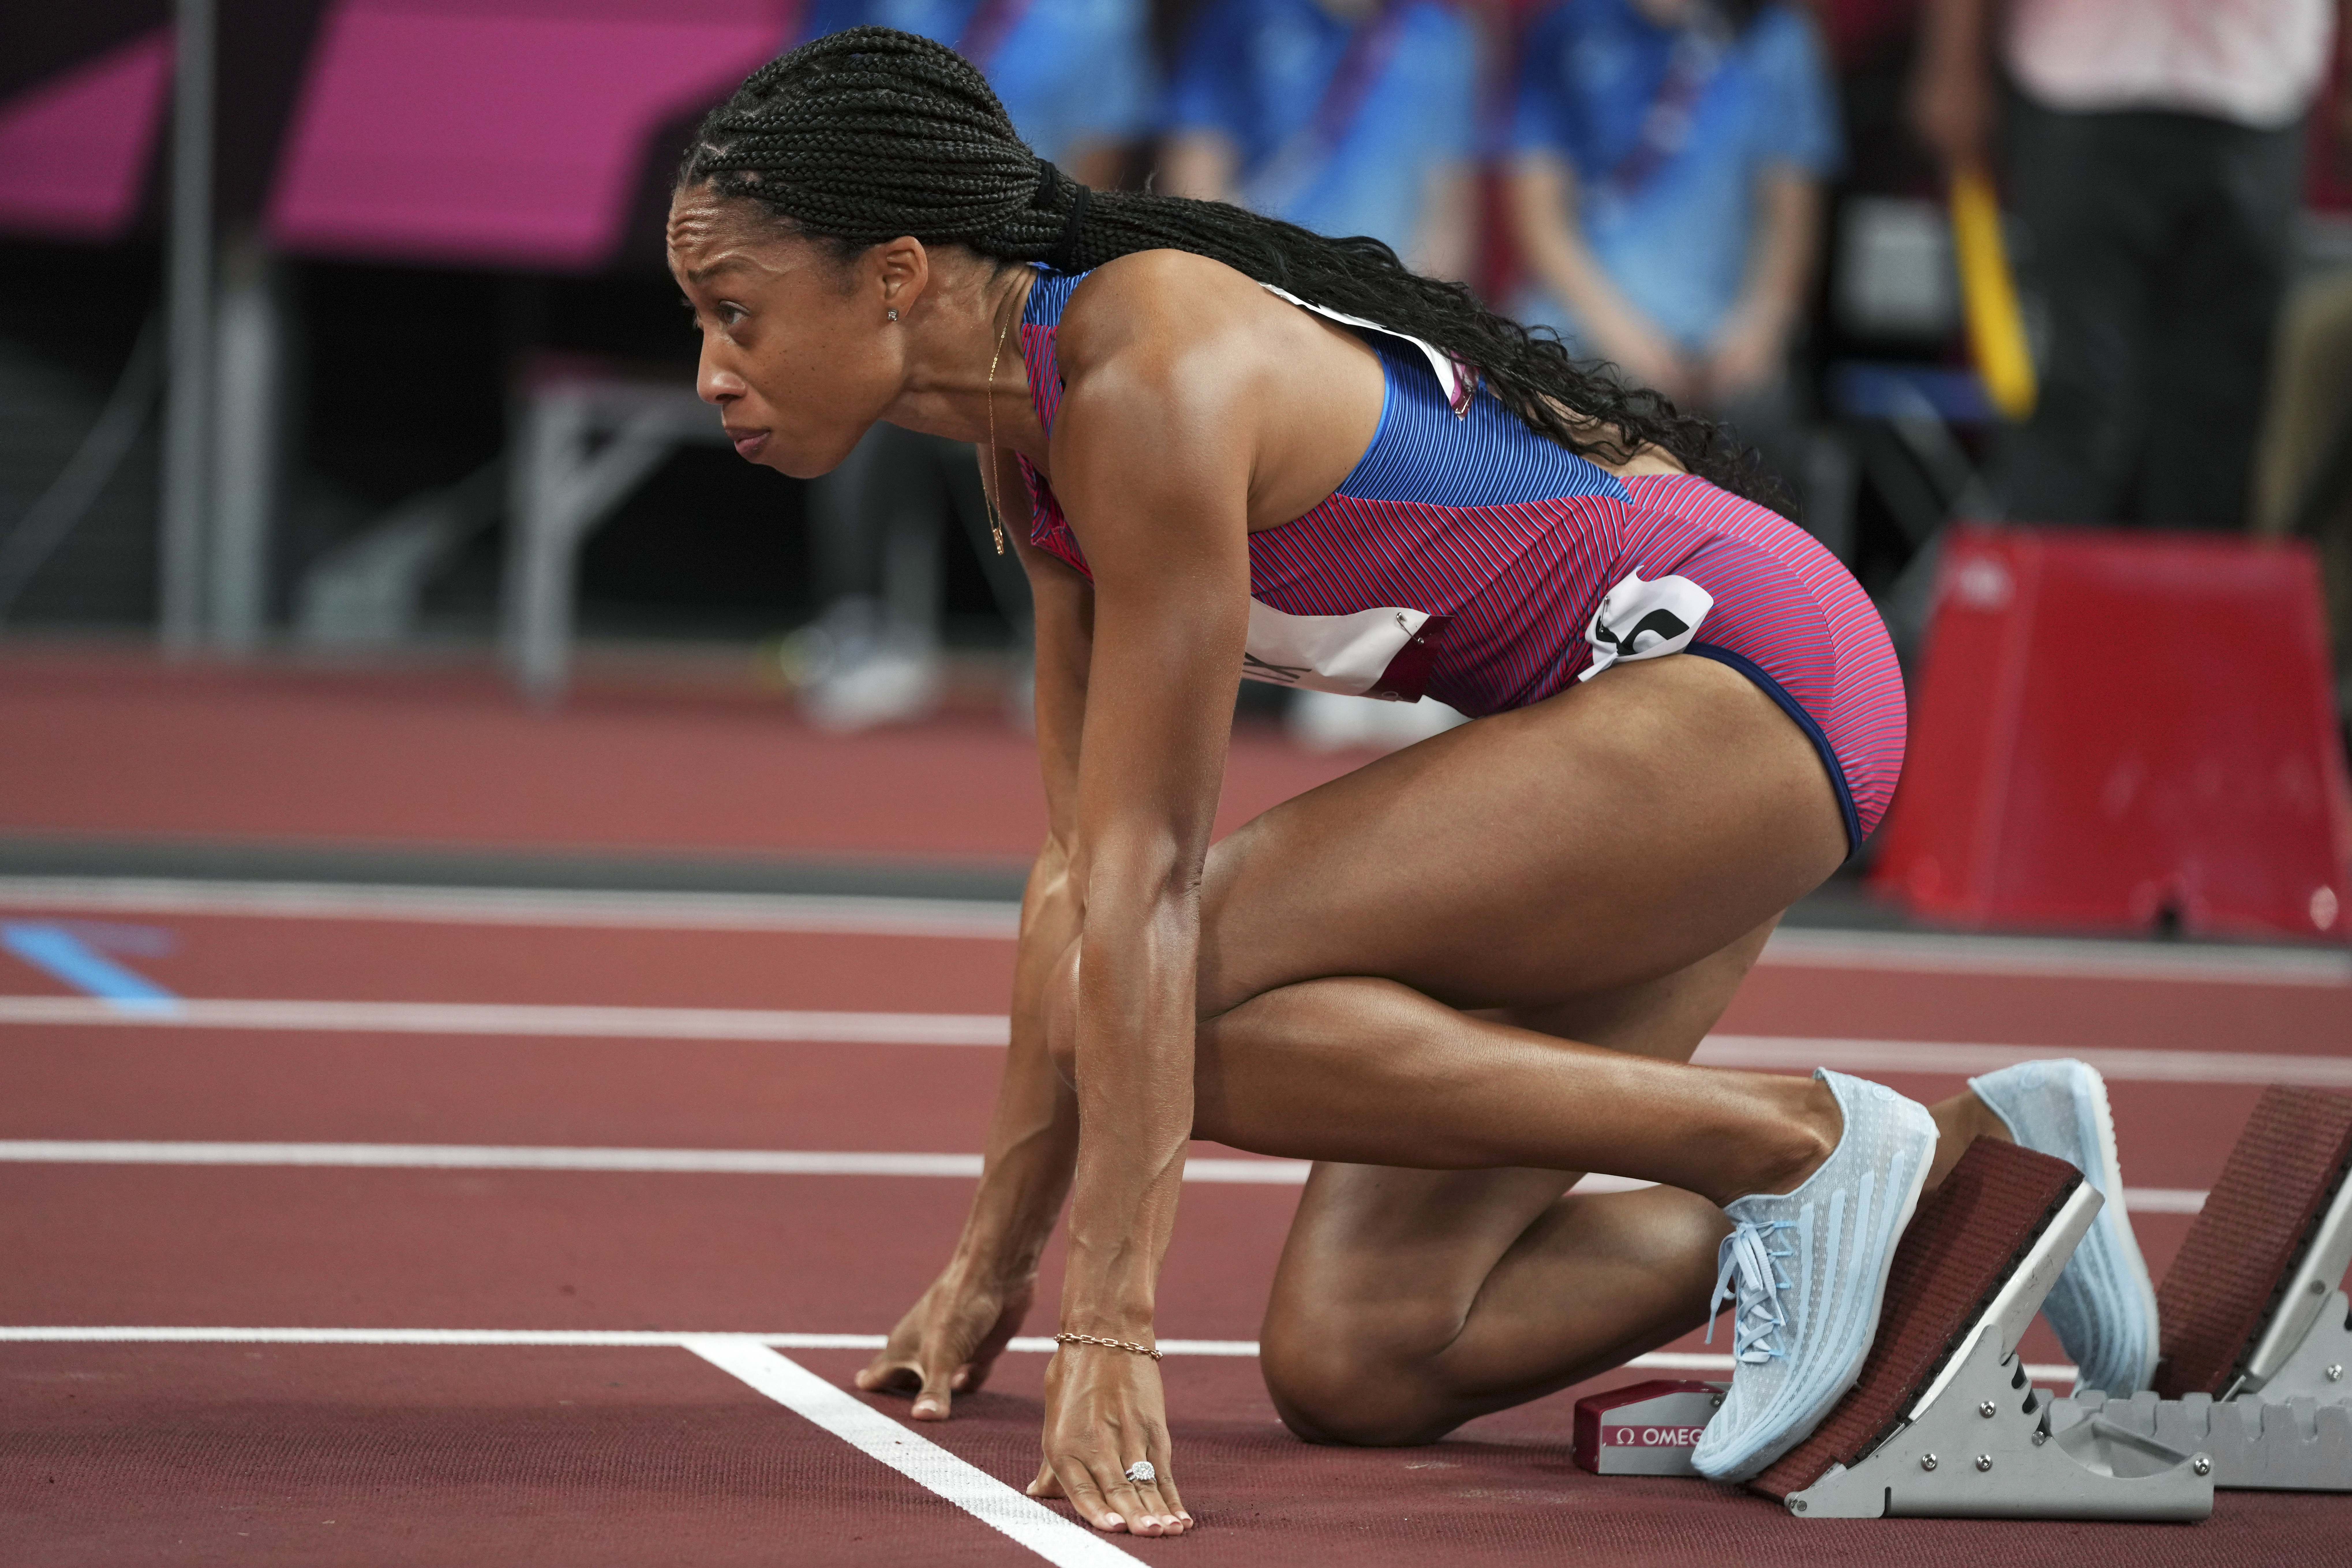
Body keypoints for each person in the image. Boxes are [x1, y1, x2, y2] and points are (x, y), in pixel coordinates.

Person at [669, 29, 2158, 1532]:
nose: (713, 370)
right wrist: (989, 1266)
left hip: (1743, 677)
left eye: (737, 312)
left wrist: (1107, 1331)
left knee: (1145, 991)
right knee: (1365, 1352)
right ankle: (1971, 1164)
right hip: (1624, 748)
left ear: (896, 276)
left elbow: (1144, 887)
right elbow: (1076, 865)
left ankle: (1803, 1149)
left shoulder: (1142, 377)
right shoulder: (1029, 445)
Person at [788, 0, 1157, 727]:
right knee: (859, 381)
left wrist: (1017, 273)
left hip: (1025, 275)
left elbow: (1096, 168)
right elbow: (814, 129)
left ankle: (1058, 635)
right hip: (888, 271)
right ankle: (863, 628)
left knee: (1040, 410)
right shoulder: (882, 7)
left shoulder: (1098, 17)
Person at [1910, 0, 2337, 528]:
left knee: (2225, 407)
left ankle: (2193, 581)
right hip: (2082, 81)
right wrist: (1953, 62)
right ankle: (2056, 578)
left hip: (2261, 82)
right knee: (2081, 396)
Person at [1506, 0, 1841, 492]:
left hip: (1726, 358)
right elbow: (1540, 218)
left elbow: (1792, 213)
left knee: (1763, 427)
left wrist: (1759, 329)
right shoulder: (1568, 27)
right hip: (1584, 338)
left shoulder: (1774, 35)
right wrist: (1624, 339)